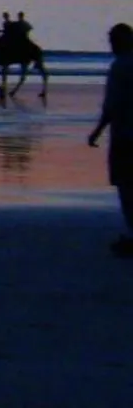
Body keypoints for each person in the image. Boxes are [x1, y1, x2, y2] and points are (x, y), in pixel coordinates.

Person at [87, 23, 133, 258]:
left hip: (125, 135)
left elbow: (113, 105)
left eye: (114, 41)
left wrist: (97, 131)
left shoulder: (120, 67)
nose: (111, 46)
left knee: (126, 185)